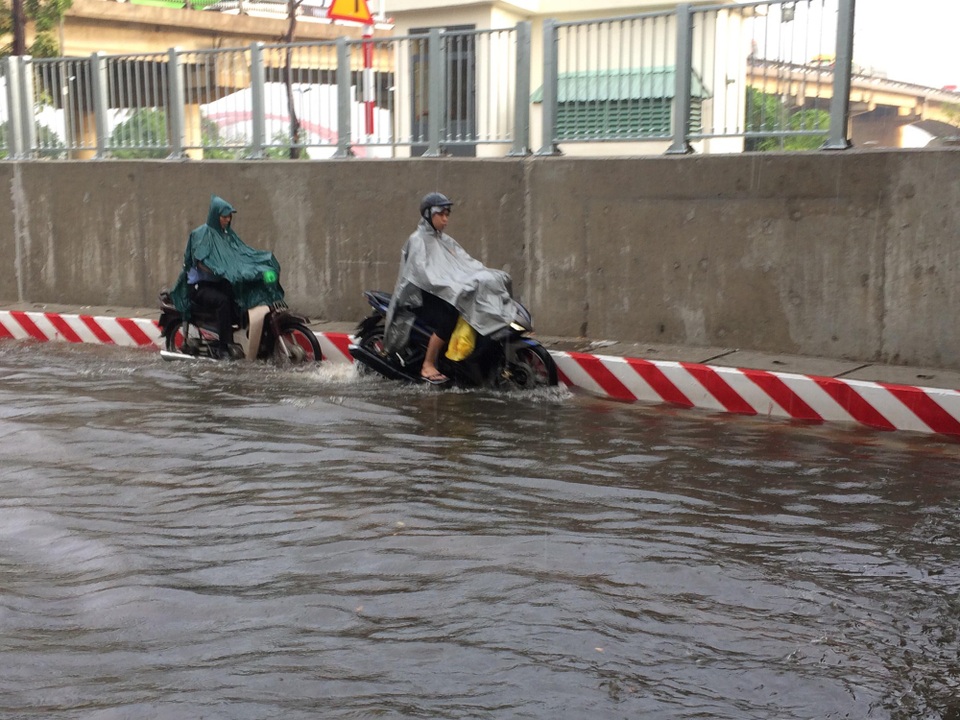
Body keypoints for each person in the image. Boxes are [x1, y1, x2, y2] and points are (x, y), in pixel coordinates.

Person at [384, 192, 518, 384]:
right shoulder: (418, 240)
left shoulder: (444, 240)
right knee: (449, 317)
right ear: (429, 214)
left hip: (443, 293)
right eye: (441, 214)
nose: (446, 219)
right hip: (421, 297)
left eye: (448, 214)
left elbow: (466, 263)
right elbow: (425, 276)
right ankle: (428, 364)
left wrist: (484, 275)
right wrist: (455, 286)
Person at [170, 195, 284, 360]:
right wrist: (221, 270)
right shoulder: (202, 235)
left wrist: (258, 264)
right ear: (216, 216)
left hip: (220, 283)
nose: (227, 219)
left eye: (229, 216)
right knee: (223, 301)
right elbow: (201, 261)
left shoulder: (227, 235)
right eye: (224, 216)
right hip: (200, 286)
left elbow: (243, 252)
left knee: (240, 296)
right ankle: (224, 347)